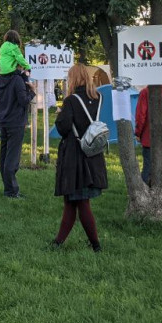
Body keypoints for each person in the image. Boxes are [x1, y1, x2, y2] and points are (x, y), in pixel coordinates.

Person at [51, 65, 108, 251]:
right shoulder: (98, 98)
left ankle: (95, 244)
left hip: (75, 156)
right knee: (72, 201)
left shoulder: (71, 101)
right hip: (92, 153)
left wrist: (59, 116)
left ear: (73, 79)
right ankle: (58, 242)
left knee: (80, 201)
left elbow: (63, 128)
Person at [0, 62, 31, 198]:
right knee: (12, 157)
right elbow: (24, 100)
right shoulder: (17, 80)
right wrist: (32, 91)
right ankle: (11, 191)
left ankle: (8, 188)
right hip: (15, 121)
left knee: (4, 156)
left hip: (3, 120)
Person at [134, 85, 162, 184]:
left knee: (148, 166)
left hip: (149, 136)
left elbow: (141, 115)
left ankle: (144, 192)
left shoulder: (145, 92)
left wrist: (138, 132)